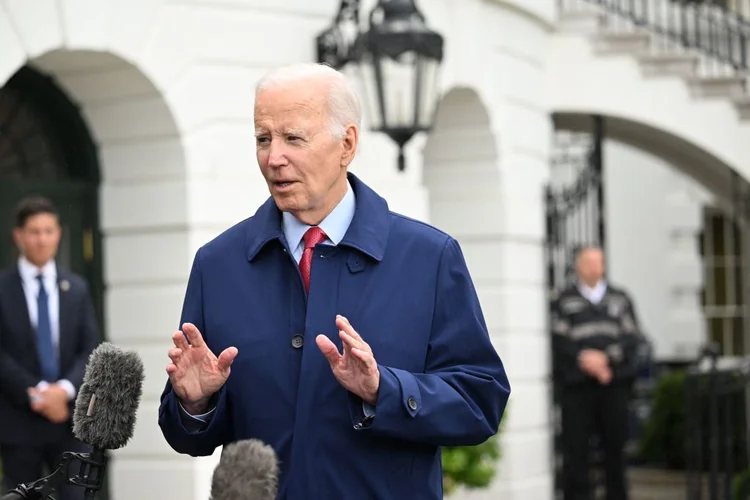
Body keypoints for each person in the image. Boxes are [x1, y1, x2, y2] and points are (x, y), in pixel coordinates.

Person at [158, 62, 510, 499]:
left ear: (347, 144)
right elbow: (185, 434)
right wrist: (195, 404)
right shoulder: (218, 264)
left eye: (293, 138)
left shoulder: (429, 257)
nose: (274, 157)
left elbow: (481, 402)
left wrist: (384, 389)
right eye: (263, 139)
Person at [0, 196, 101, 500]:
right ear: (18, 236)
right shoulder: (2, 289)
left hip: (69, 420)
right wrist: (37, 393)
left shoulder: (77, 288)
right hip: (19, 421)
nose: (42, 239)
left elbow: (91, 348)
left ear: (58, 234)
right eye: (34, 231)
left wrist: (65, 390)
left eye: (49, 231)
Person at [551, 246, 645, 500]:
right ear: (578, 267)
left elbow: (632, 337)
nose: (595, 267)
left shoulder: (620, 298)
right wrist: (585, 360)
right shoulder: (564, 300)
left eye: (599, 262)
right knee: (576, 451)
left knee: (615, 450)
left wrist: (605, 360)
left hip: (613, 385)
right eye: (589, 262)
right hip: (577, 388)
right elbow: (559, 340)